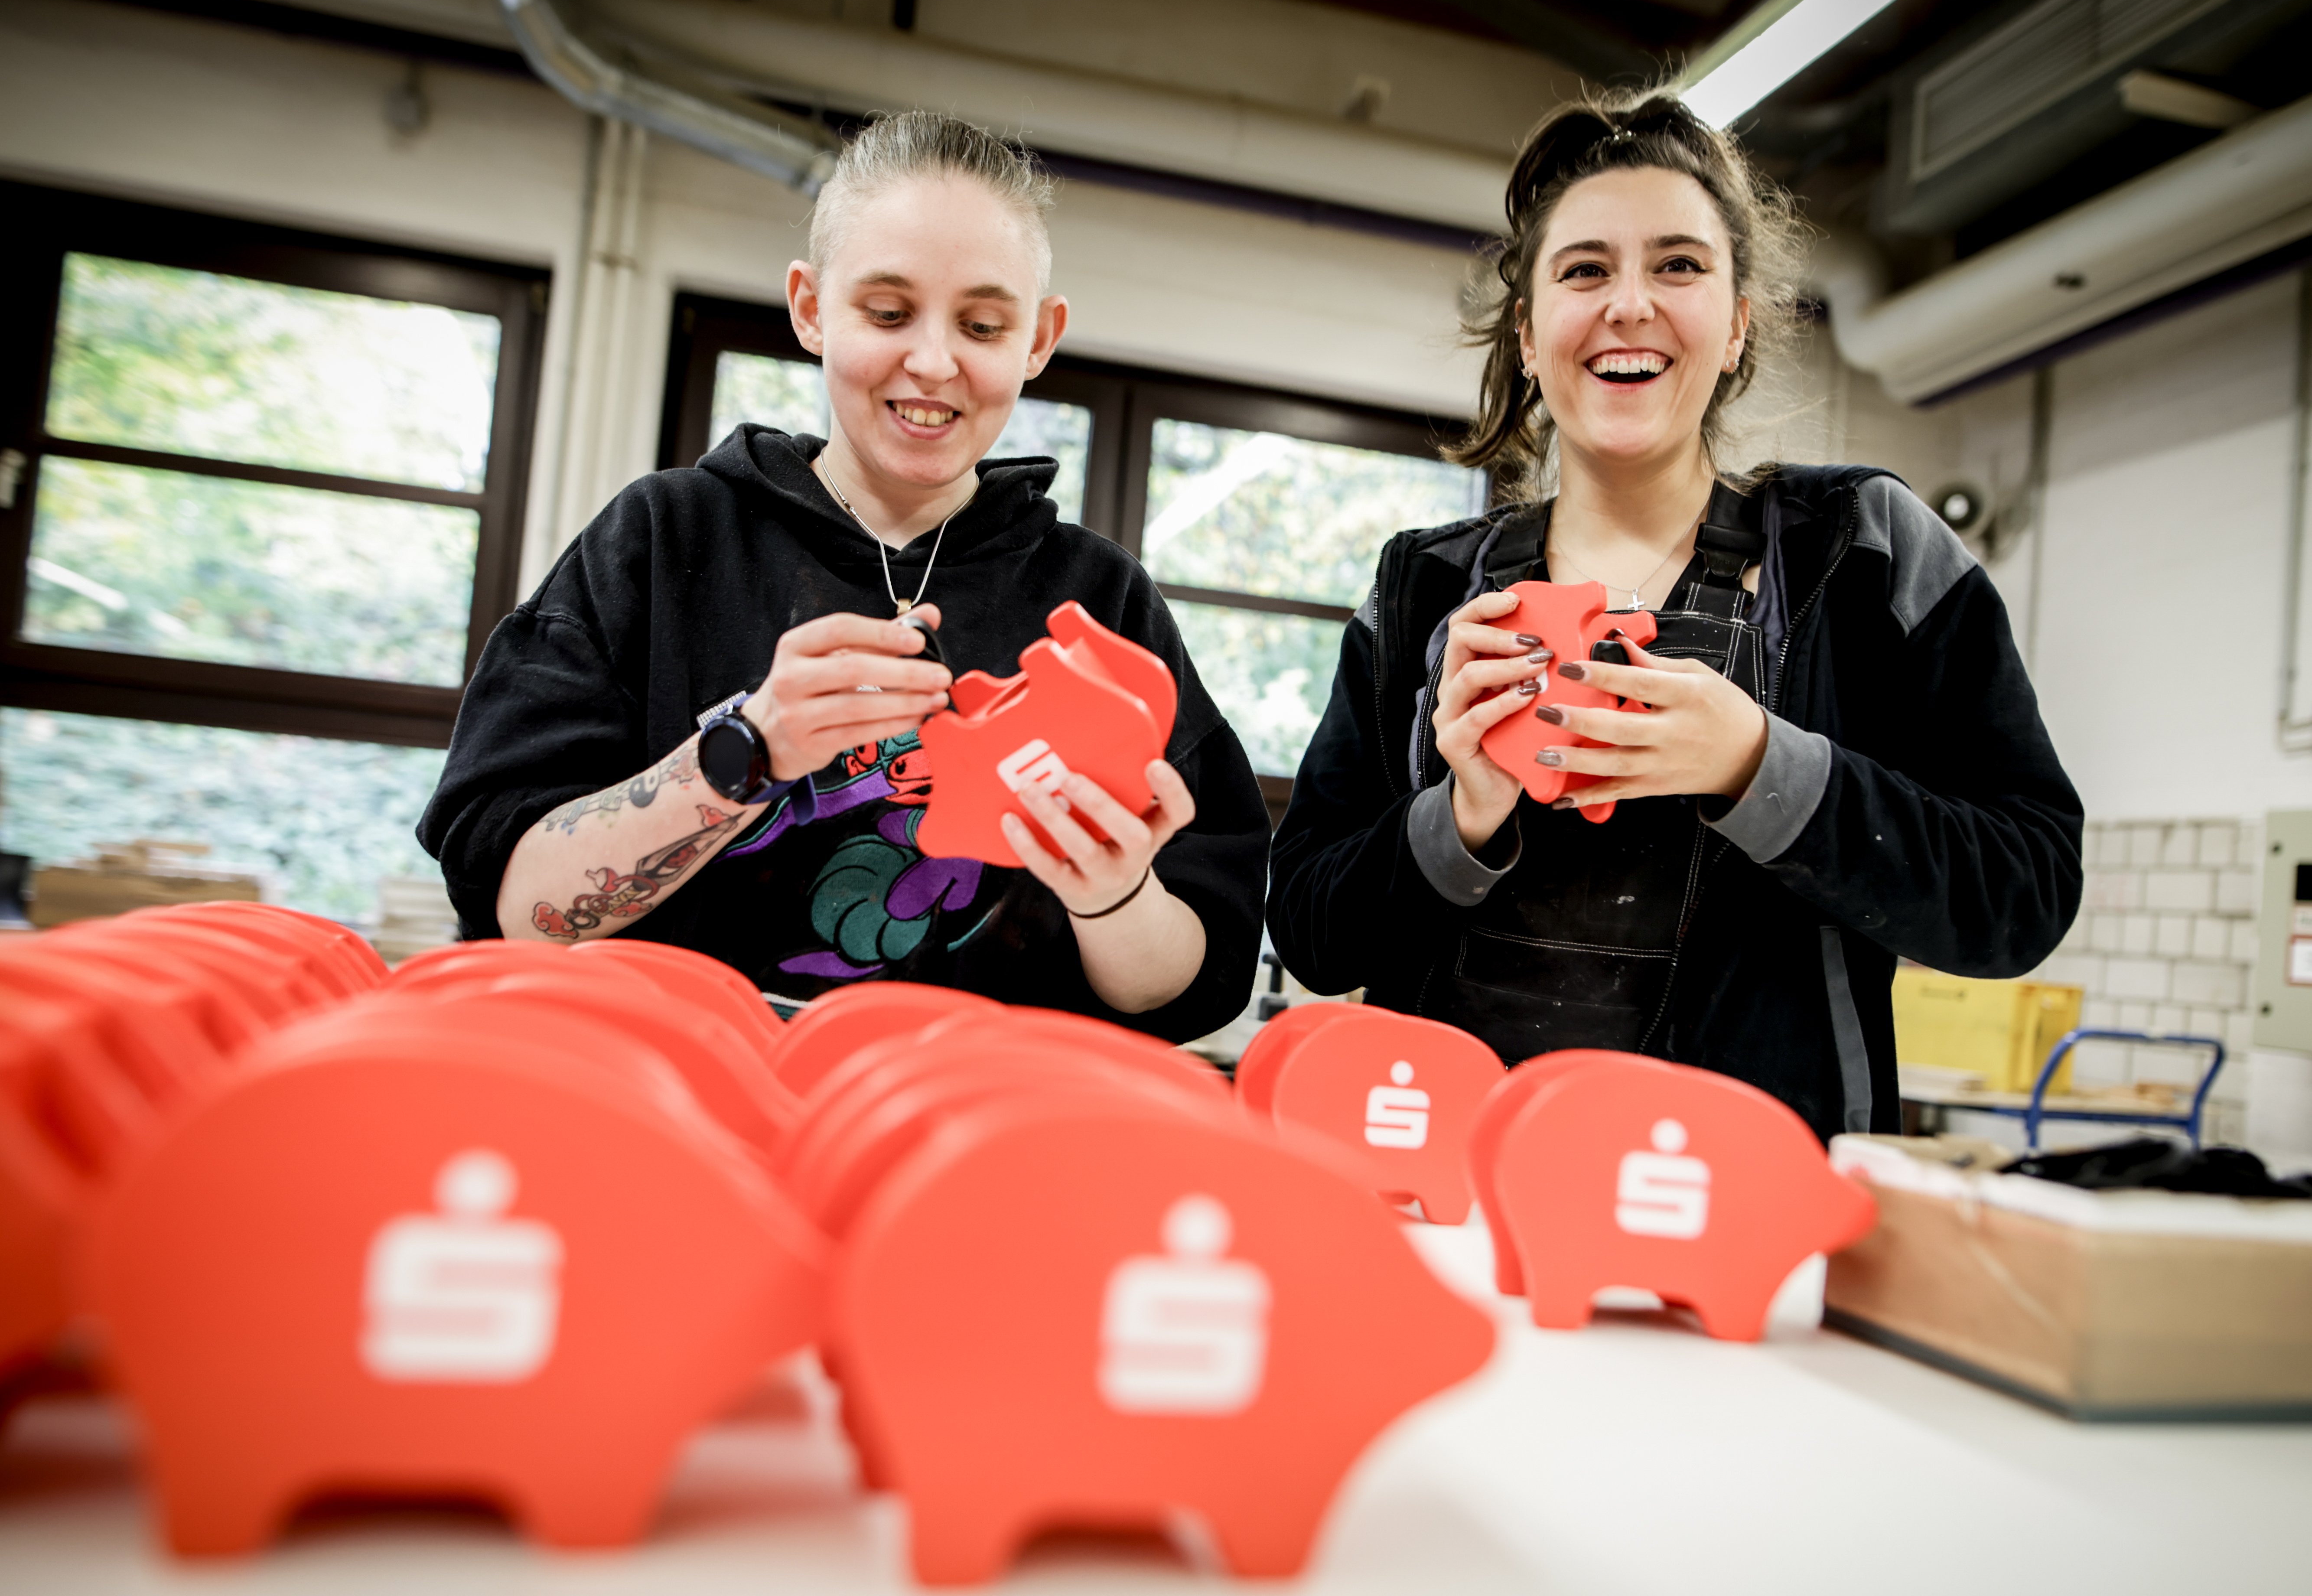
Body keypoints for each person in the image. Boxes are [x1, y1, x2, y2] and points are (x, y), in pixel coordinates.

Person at [1266, 91, 2082, 1139]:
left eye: (1680, 265)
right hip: (1447, 1191)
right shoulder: (1422, 592)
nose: (1631, 304)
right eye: (1585, 268)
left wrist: (1758, 763)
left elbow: (2024, 893)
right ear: (1528, 331)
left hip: (1745, 1213)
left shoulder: (1864, 554)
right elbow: (1313, 931)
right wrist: (1459, 813)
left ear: (1739, 318)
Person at [419, 112, 1267, 1040]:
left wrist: (1113, 894)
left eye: (983, 324)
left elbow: (1186, 981)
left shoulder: (1099, 601)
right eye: (889, 312)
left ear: (1039, 338)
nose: (935, 362)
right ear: (813, 307)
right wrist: (745, 750)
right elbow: (517, 907)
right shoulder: (667, 538)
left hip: (961, 1138)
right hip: (670, 1101)